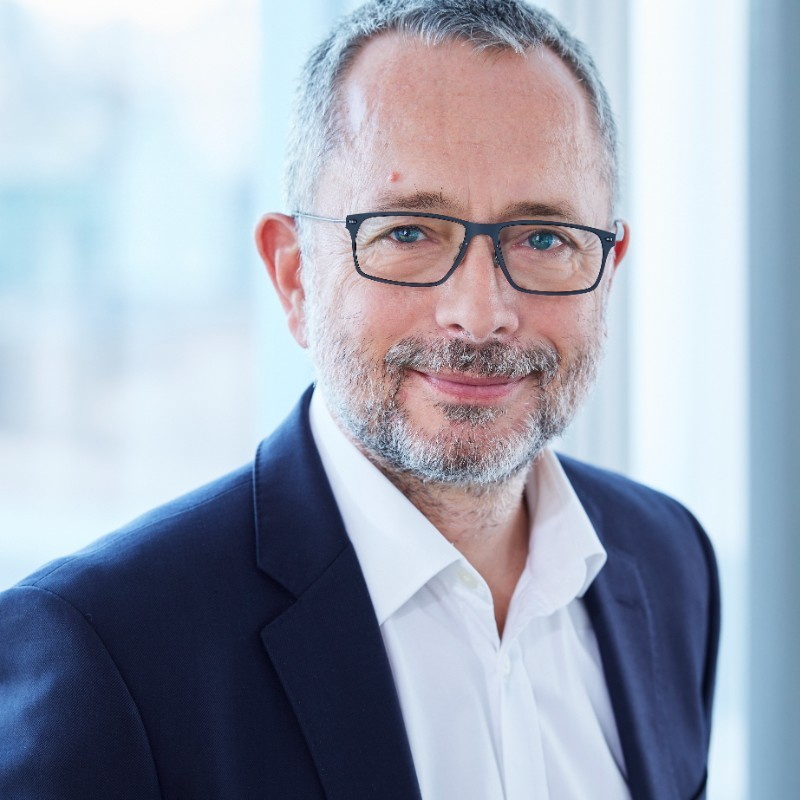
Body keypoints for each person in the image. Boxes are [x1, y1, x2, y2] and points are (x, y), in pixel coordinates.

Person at [0, 1, 719, 798]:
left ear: (607, 272)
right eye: (408, 233)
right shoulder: (105, 650)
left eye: (544, 238)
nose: (480, 313)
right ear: (294, 275)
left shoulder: (670, 562)